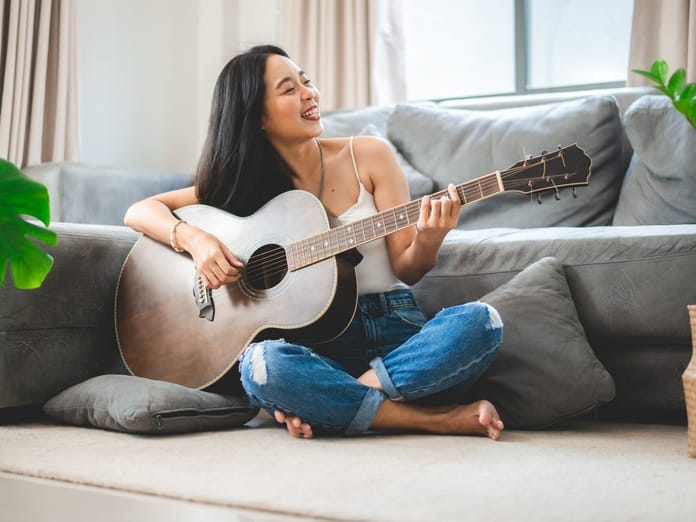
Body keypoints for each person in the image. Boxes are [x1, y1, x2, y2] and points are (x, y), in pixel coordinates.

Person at [124, 45, 505, 440]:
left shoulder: (368, 155)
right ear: (257, 117)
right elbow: (139, 210)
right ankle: (434, 419)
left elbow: (409, 268)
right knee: (262, 364)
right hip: (317, 345)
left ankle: (339, 403)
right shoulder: (243, 187)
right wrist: (195, 240)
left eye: (306, 82)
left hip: (397, 332)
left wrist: (429, 237)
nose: (310, 94)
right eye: (289, 89)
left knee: (481, 322)